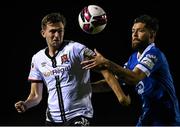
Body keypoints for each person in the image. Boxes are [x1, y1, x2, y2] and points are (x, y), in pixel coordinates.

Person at [14, 12, 130, 126]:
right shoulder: (37, 59)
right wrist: (26, 104)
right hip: (52, 119)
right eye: (53, 31)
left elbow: (103, 68)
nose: (57, 35)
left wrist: (121, 97)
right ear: (43, 33)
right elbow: (35, 95)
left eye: (60, 31)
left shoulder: (75, 49)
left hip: (79, 115)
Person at [81, 14, 180, 126]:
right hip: (147, 117)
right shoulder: (133, 59)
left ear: (152, 34)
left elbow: (135, 77)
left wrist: (106, 63)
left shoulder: (154, 54)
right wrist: (84, 88)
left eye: (140, 31)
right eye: (133, 31)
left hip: (165, 119)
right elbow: (111, 83)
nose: (135, 35)